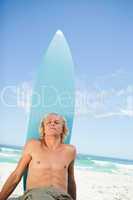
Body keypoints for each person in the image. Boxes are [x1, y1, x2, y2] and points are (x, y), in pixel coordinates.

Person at [0, 113, 77, 200]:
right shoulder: (33, 145)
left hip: (62, 196)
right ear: (43, 129)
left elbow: (71, 181)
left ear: (62, 129)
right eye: (48, 122)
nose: (52, 124)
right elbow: (16, 175)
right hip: (37, 194)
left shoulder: (70, 150)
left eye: (56, 122)